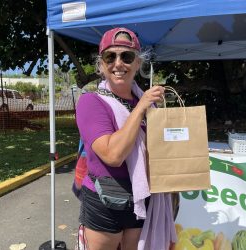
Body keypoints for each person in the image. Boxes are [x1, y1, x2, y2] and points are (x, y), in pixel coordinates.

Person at [76, 27, 176, 250]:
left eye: (127, 56)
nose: (118, 64)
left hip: (142, 197)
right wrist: (141, 107)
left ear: (138, 64)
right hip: (106, 200)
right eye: (110, 56)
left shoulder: (148, 102)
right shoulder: (91, 102)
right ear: (101, 64)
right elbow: (113, 155)